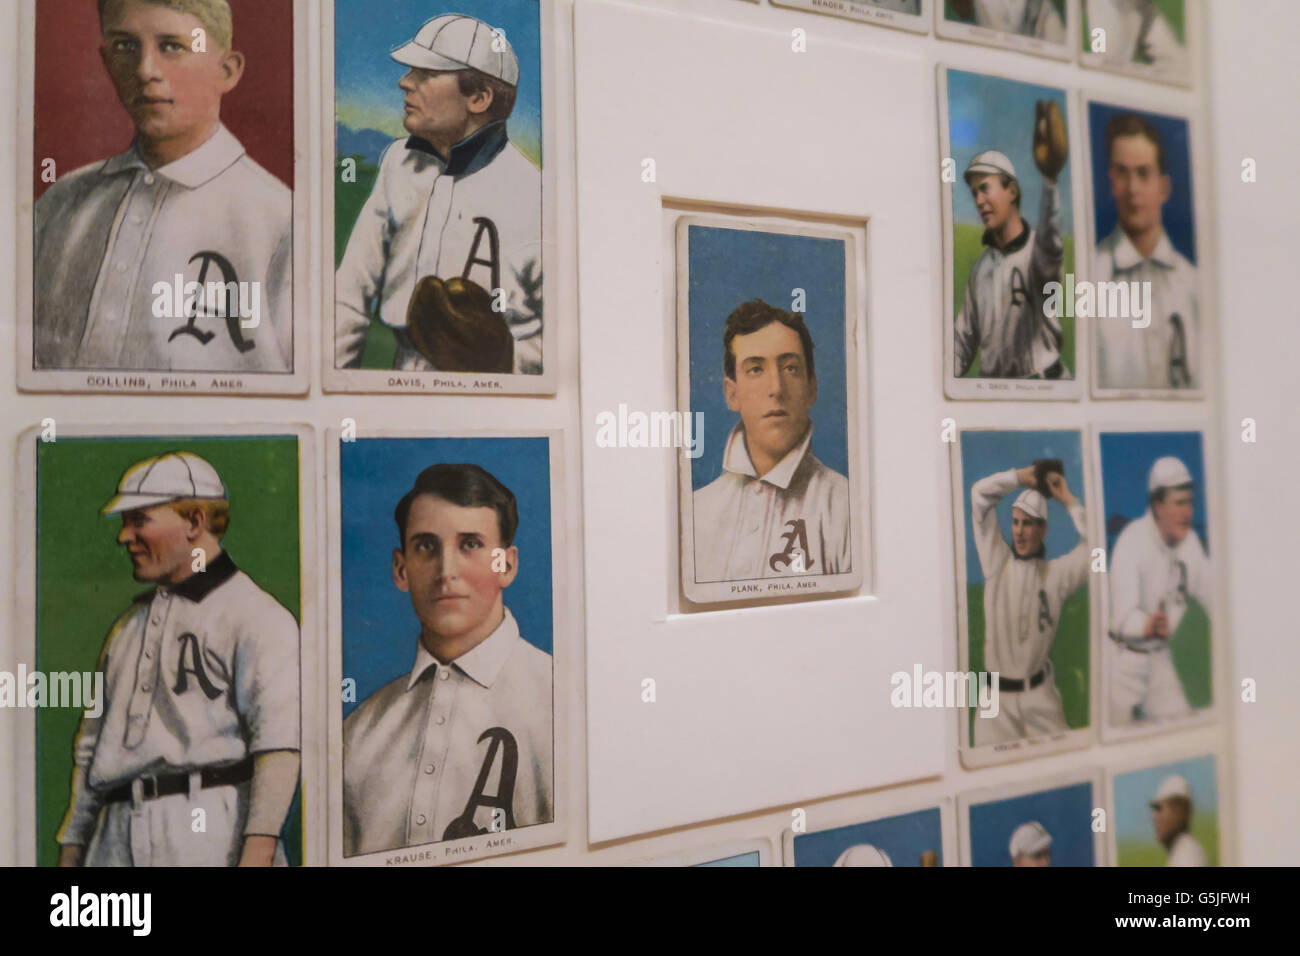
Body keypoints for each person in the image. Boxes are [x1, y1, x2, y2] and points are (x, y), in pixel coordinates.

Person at [56, 452, 301, 866]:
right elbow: (90, 747)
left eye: (139, 520)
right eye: (124, 523)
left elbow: (278, 748)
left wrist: (257, 854)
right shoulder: (126, 628)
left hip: (205, 822)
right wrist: (74, 843)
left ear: (194, 522)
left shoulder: (256, 615)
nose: (124, 537)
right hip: (113, 831)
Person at [34, 0, 292, 372]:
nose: (145, 70)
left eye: (173, 46)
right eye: (125, 46)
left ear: (227, 70)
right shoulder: (60, 202)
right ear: (106, 62)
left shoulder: (281, 220)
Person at [343, 463, 553, 856]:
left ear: (505, 565)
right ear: (401, 569)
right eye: (426, 546)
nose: (446, 571)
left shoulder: (562, 703)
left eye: (470, 544)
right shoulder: (360, 733)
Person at [335, 14, 542, 374]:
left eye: (426, 74)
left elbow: (573, 339)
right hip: (402, 374)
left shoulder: (535, 194)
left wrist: (508, 360)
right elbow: (350, 292)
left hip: (495, 395)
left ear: (479, 97)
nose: (404, 82)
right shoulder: (399, 161)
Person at [691, 299, 851, 584]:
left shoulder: (848, 509)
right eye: (755, 369)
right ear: (732, 394)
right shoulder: (694, 513)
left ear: (811, 388)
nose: (776, 389)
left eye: (790, 368)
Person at [969, 462, 1088, 745]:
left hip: (1041, 699)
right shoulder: (996, 562)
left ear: (1043, 530)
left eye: (1029, 523)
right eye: (1016, 522)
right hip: (995, 703)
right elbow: (979, 496)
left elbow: (1097, 549)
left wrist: (1068, 500)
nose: (1020, 531)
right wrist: (1018, 477)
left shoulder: (1057, 575)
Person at [1094, 113, 1199, 389]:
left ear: (1163, 187)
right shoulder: (1089, 278)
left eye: (1143, 173)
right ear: (1111, 182)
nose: (1132, 189)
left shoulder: (1193, 284)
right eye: (1122, 173)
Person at [1107, 456, 1210, 724]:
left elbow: (1217, 599)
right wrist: (1147, 625)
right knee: (1118, 746)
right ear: (1157, 506)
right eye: (1179, 503)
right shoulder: (1132, 541)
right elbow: (1120, 618)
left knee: (1181, 731)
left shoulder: (1191, 545)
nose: (1188, 512)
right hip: (1123, 663)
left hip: (1159, 659)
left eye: (1189, 502)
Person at [955, 145, 1067, 379]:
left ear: (1012, 191)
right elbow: (962, 342)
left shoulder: (1039, 252)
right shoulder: (980, 269)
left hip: (1044, 390)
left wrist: (1049, 183)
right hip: (995, 399)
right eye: (975, 193)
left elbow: (1051, 241)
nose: (979, 200)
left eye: (985, 189)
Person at [1149, 774, 1208, 866]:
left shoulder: (1187, 853)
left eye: (1159, 809)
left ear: (1181, 812)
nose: (1155, 818)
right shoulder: (1180, 851)